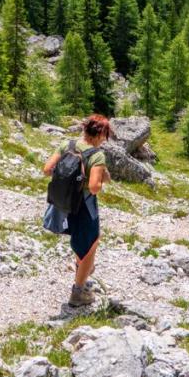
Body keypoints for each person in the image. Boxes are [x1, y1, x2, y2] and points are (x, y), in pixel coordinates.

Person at [43, 114, 112, 307]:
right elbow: (94, 187)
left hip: (64, 203)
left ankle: (81, 274)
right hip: (84, 206)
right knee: (90, 245)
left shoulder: (67, 145)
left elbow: (47, 169)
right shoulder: (97, 155)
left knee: (80, 243)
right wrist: (103, 177)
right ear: (99, 134)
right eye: (105, 135)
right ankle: (78, 292)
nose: (104, 140)